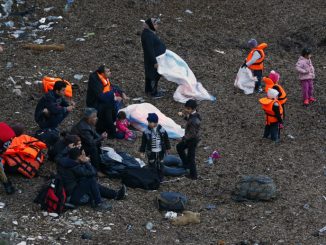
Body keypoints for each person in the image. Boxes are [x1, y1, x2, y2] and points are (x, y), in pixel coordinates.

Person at [57, 147, 126, 211]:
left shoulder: (66, 162)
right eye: (83, 155)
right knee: (91, 180)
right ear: (79, 157)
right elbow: (93, 172)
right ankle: (98, 203)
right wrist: (86, 162)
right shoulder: (74, 167)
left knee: (90, 182)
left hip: (69, 190)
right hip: (71, 197)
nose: (85, 156)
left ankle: (115, 195)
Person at [86, 65, 128, 138]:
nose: (110, 73)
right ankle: (111, 129)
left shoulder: (104, 78)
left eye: (110, 71)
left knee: (116, 102)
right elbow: (100, 96)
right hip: (94, 103)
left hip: (104, 99)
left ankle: (114, 122)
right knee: (109, 107)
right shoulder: (95, 81)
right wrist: (114, 97)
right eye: (108, 71)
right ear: (102, 73)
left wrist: (121, 92)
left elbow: (111, 86)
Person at [71, 108, 107, 173]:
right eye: (94, 117)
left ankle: (99, 160)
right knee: (93, 148)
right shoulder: (84, 128)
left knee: (97, 143)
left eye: (96, 116)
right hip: (76, 147)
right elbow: (91, 142)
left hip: (84, 142)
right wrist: (101, 138)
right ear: (89, 118)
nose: (96, 118)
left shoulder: (88, 122)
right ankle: (96, 170)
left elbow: (93, 132)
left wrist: (100, 137)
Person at [139, 113, 171, 181]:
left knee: (161, 163)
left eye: (150, 122)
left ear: (156, 122)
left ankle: (160, 177)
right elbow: (143, 143)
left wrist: (168, 148)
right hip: (151, 151)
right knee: (151, 164)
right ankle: (153, 177)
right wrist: (142, 151)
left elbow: (166, 139)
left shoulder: (162, 130)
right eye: (148, 122)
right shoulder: (146, 132)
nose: (149, 124)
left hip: (160, 151)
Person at [141, 17, 166, 98]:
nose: (157, 26)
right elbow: (149, 49)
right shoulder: (148, 35)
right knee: (154, 75)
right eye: (155, 24)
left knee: (150, 75)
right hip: (153, 60)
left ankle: (148, 90)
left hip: (154, 58)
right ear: (151, 25)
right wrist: (154, 62)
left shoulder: (148, 33)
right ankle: (153, 93)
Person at [176, 100, 201, 180]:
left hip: (192, 140)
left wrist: (184, 138)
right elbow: (189, 119)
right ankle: (186, 164)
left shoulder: (194, 120)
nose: (186, 110)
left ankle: (194, 175)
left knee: (191, 157)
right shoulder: (193, 115)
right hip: (190, 139)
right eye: (186, 108)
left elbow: (192, 133)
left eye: (188, 109)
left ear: (193, 109)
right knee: (179, 147)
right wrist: (184, 115)